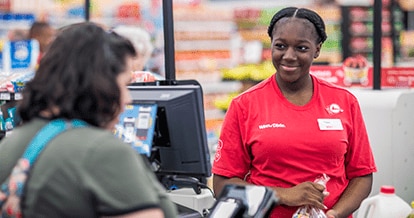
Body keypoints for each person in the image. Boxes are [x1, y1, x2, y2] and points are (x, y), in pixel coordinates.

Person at [212, 7, 377, 218]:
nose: (289, 56)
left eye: (301, 47)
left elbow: (361, 176)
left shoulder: (344, 101)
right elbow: (222, 184)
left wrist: (334, 214)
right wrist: (283, 195)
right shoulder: (245, 105)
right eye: (280, 46)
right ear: (270, 46)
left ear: (317, 50)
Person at [0, 22, 177, 217]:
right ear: (101, 84)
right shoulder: (105, 152)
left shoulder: (9, 146)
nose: (128, 99)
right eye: (124, 85)